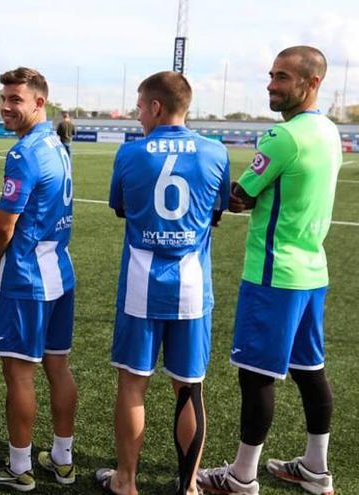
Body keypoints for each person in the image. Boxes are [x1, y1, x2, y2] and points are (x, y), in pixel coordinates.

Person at [197, 46, 341, 495]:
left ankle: (242, 476)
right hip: (311, 270)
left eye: (282, 77)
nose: (271, 85)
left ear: (311, 82)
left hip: (274, 274)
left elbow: (242, 195)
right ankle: (316, 470)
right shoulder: (329, 131)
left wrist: (226, 192)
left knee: (256, 375)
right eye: (271, 75)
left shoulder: (285, 137)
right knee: (309, 370)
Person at [95, 71, 229, 495]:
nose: (137, 115)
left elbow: (121, 208)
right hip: (192, 286)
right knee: (189, 387)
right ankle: (188, 486)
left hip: (141, 284)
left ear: (156, 107)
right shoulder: (215, 152)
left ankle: (126, 481)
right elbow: (217, 212)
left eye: (139, 107)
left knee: (133, 384)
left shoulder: (130, 155)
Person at [0, 67, 78, 492]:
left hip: (28, 277)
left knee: (19, 374)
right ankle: (62, 459)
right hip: (61, 270)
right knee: (58, 366)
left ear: (39, 102)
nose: (6, 106)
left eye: (15, 99)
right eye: (4, 98)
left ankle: (19, 467)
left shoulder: (25, 153)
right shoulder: (57, 143)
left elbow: (4, 225)